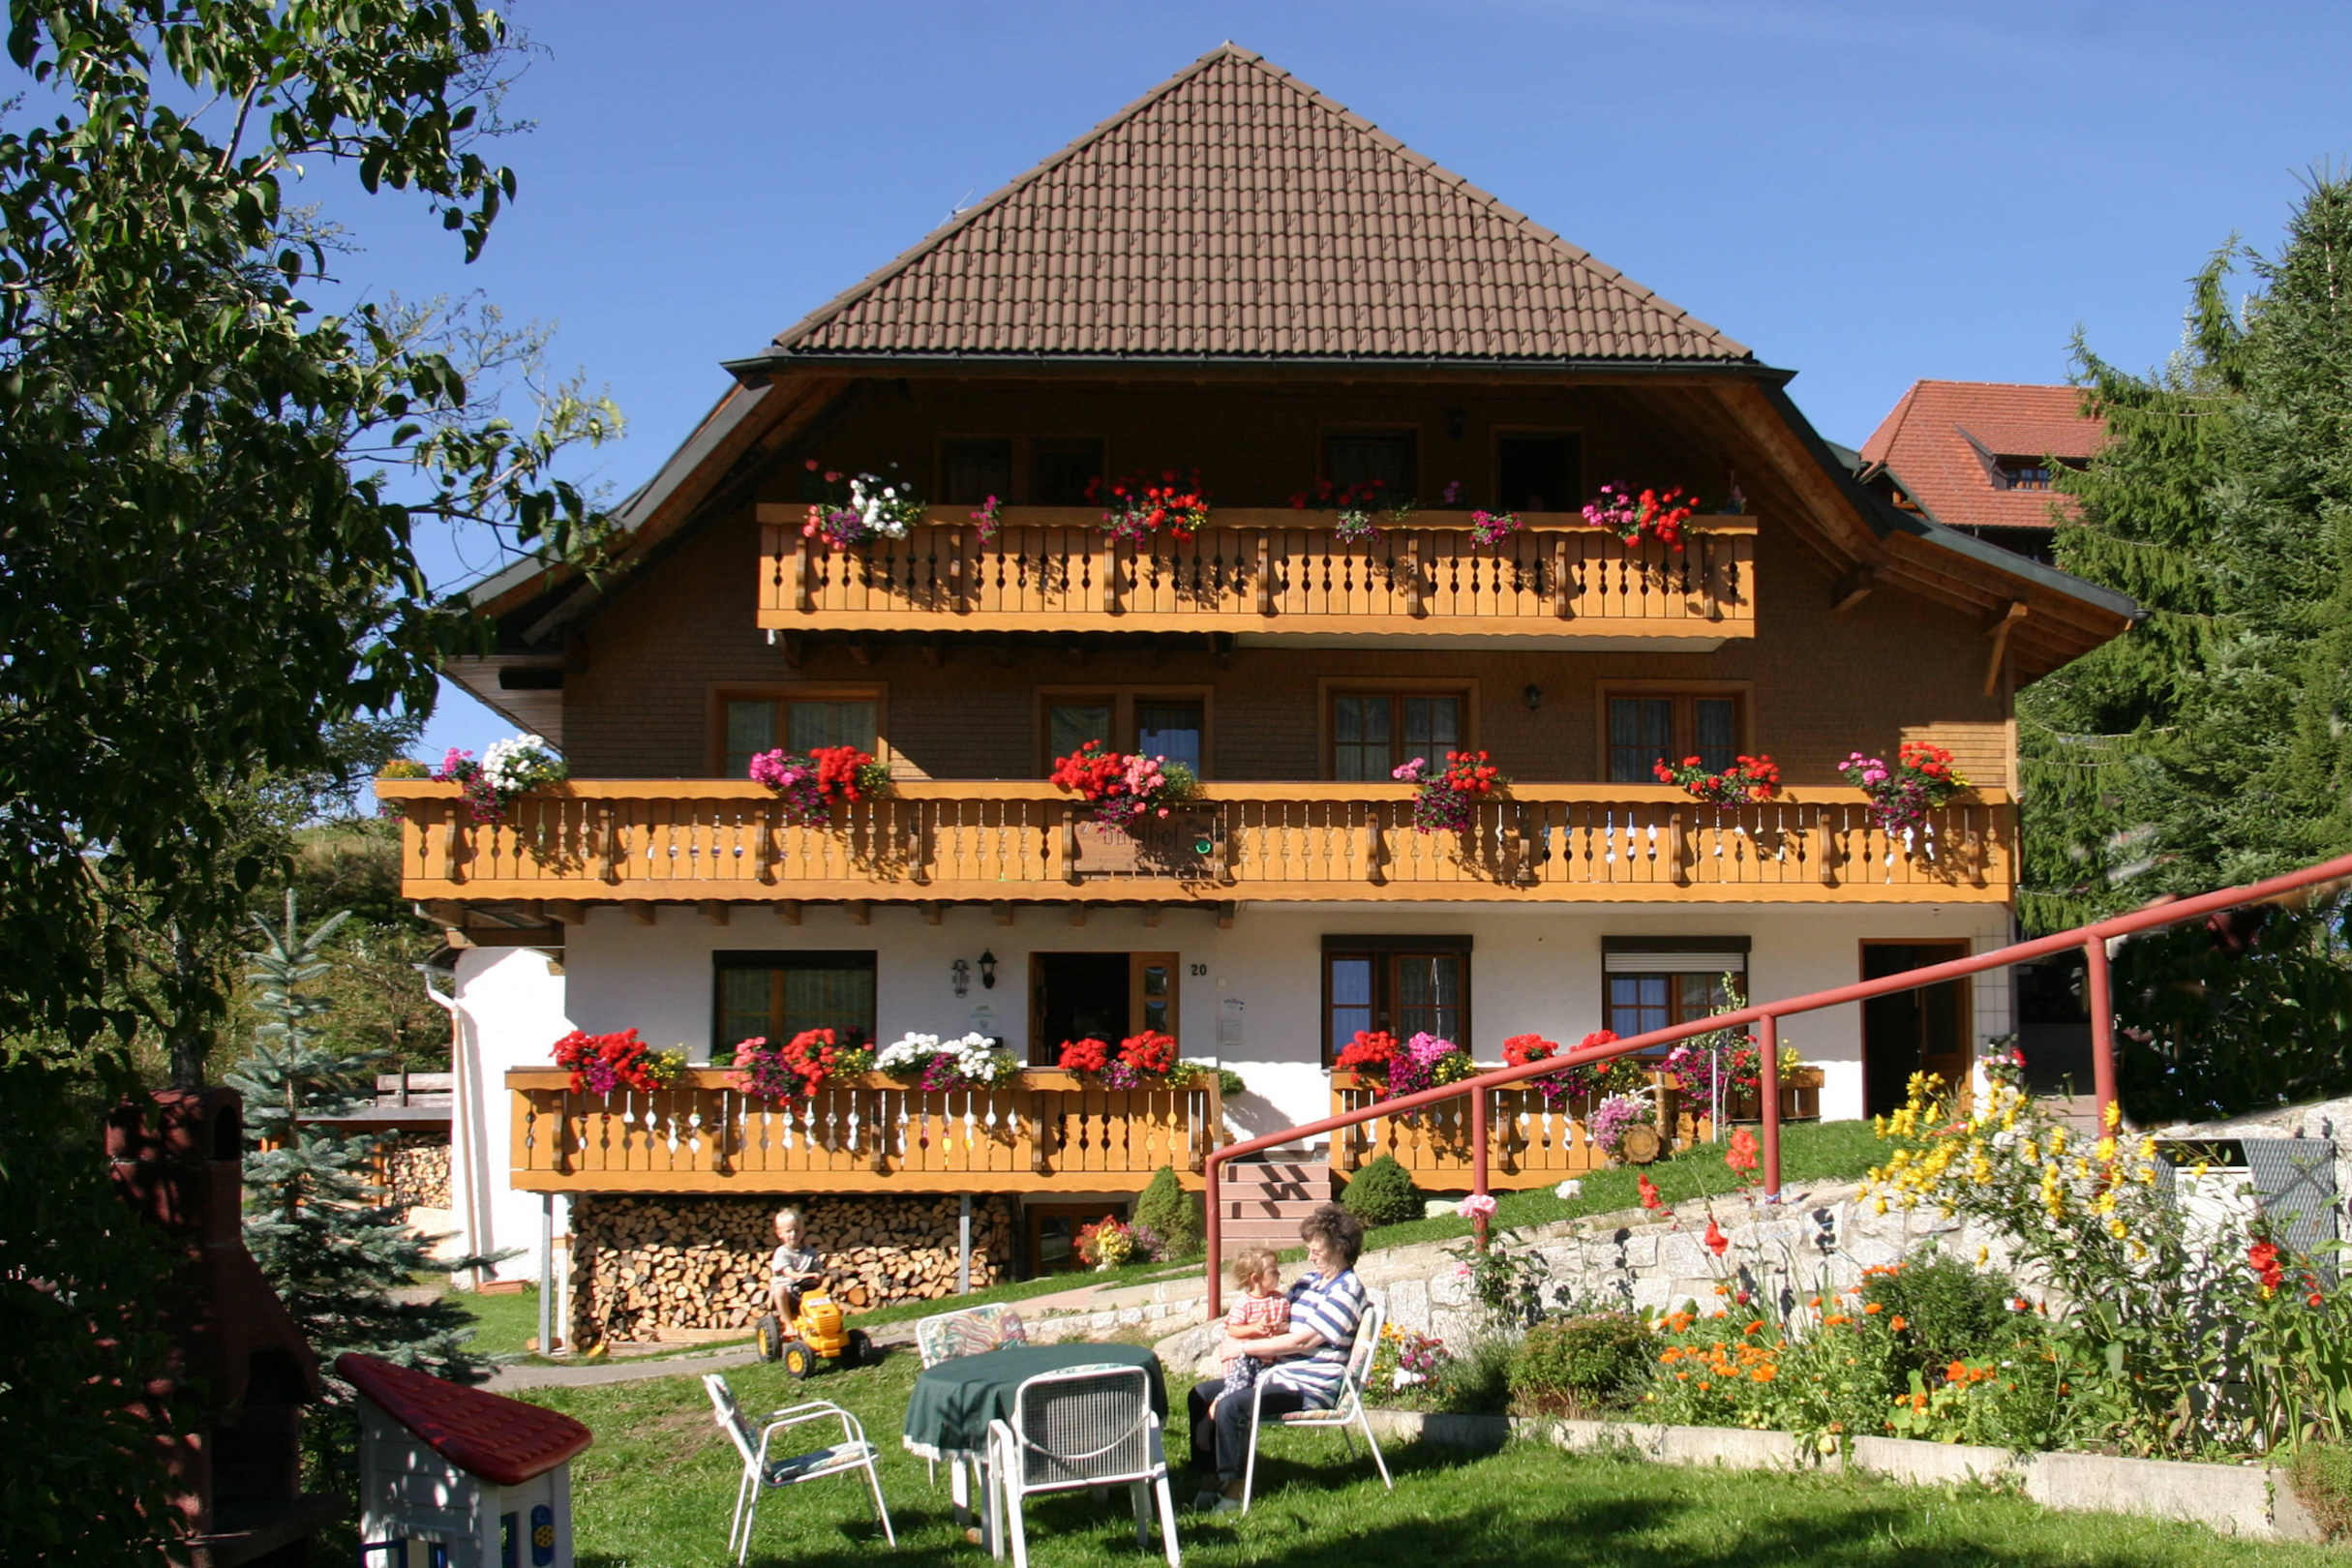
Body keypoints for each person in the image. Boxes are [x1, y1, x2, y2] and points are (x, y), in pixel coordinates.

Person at [1186, 1204, 1368, 1512]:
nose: (1310, 1257)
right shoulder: (1308, 1282)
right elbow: (1281, 1320)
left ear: (1339, 1248)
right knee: (1200, 1395)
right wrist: (1248, 1329)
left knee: (1231, 1406)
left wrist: (1244, 1348)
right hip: (1275, 1374)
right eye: (1309, 1250)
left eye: (1316, 1251)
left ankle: (1234, 1491)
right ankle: (1209, 1479)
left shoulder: (1347, 1291)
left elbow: (1304, 1340)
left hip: (1307, 1386)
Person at [1218, 1247, 1291, 1397]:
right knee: (1238, 1387)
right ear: (1256, 1278)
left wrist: (1280, 1328)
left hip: (1268, 1359)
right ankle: (1217, 1404)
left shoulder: (1280, 1300)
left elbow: (1288, 1324)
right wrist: (1254, 1328)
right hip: (1245, 1359)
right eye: (1273, 1272)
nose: (1279, 1274)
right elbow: (1233, 1329)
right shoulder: (1244, 1303)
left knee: (1261, 1390)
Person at [768, 1207, 824, 1323]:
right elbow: (789, 1273)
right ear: (780, 1234)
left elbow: (818, 1271)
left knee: (824, 1294)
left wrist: (820, 1276)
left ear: (803, 1231)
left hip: (806, 1291)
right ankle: (788, 1324)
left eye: (797, 1230)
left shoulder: (810, 1251)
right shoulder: (782, 1252)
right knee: (780, 1291)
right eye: (789, 1231)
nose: (793, 1234)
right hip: (788, 1294)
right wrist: (809, 1275)